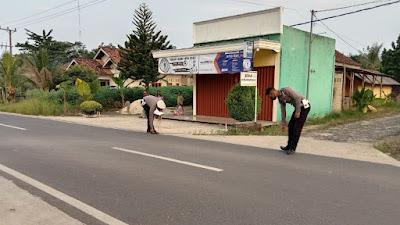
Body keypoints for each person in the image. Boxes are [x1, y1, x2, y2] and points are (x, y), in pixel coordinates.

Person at [266, 87, 311, 155]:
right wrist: (283, 123)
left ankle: (292, 149)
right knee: (291, 125)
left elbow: (298, 97)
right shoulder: (280, 98)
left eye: (270, 95)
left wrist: (298, 111)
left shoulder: (286, 90)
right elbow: (283, 110)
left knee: (297, 128)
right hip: (298, 108)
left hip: (304, 107)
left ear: (273, 92)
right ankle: (289, 146)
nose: (270, 97)